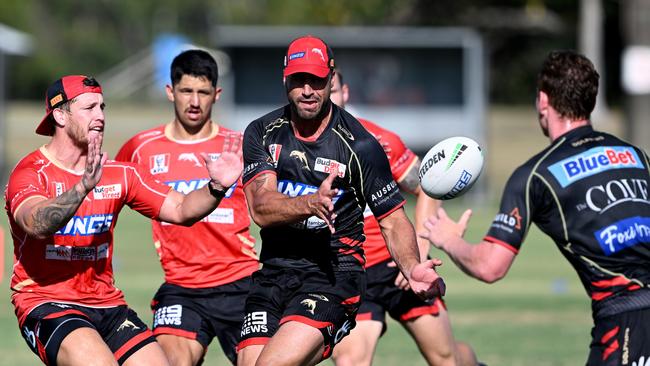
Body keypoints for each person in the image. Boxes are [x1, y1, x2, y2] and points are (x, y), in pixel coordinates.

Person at [419, 50, 650, 366]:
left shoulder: (536, 176)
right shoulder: (636, 157)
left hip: (629, 322)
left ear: (543, 100)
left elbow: (490, 266)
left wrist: (449, 240)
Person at [237, 35, 446, 366]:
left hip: (333, 277)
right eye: (299, 79)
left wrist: (411, 265)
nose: (308, 90)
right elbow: (261, 207)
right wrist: (310, 203)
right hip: (274, 272)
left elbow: (392, 219)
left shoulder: (361, 145)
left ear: (331, 79)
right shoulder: (261, 132)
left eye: (317, 81)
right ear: (285, 78)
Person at [5, 74, 242, 366]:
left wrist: (217, 187)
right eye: (89, 108)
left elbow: (181, 209)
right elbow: (35, 223)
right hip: (48, 303)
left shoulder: (120, 173)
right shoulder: (31, 172)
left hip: (108, 304)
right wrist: (82, 188)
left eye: (102, 107)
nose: (100, 116)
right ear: (60, 116)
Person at [115, 49, 258, 365]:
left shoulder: (239, 147)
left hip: (242, 283)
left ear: (217, 94)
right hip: (182, 288)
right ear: (170, 91)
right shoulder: (141, 148)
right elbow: (108, 198)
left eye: (203, 92)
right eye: (186, 91)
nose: (194, 101)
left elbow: (271, 205)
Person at [329, 71, 478, 366]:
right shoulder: (296, 148)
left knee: (446, 358)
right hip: (350, 272)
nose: (323, 97)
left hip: (397, 266)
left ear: (345, 92)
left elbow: (428, 185)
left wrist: (419, 252)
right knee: (350, 361)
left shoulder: (379, 141)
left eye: (330, 89)